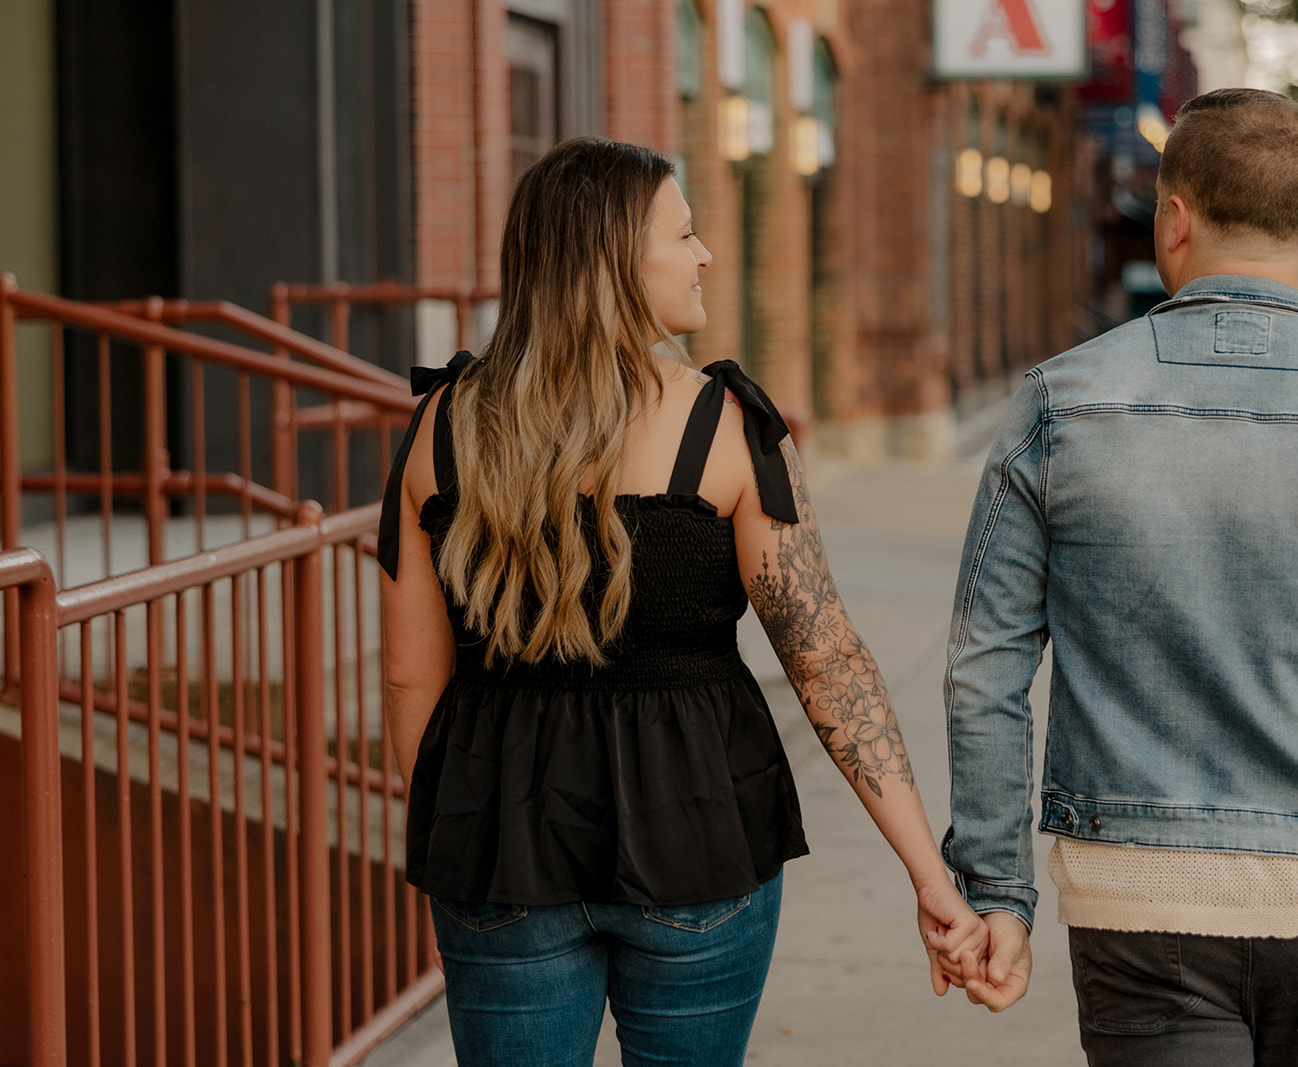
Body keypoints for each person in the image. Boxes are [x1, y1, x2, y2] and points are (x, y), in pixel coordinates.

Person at [939, 88, 1298, 1064]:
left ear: (1174, 217)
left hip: (1139, 894)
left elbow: (983, 668)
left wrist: (997, 887)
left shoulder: (1060, 403)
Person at [378, 136, 983, 1066]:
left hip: (500, 841)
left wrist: (457, 831)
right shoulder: (731, 429)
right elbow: (824, 660)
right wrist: (928, 873)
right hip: (697, 829)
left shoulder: (442, 428)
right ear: (616, 261)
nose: (706, 255)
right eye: (686, 234)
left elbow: (412, 677)